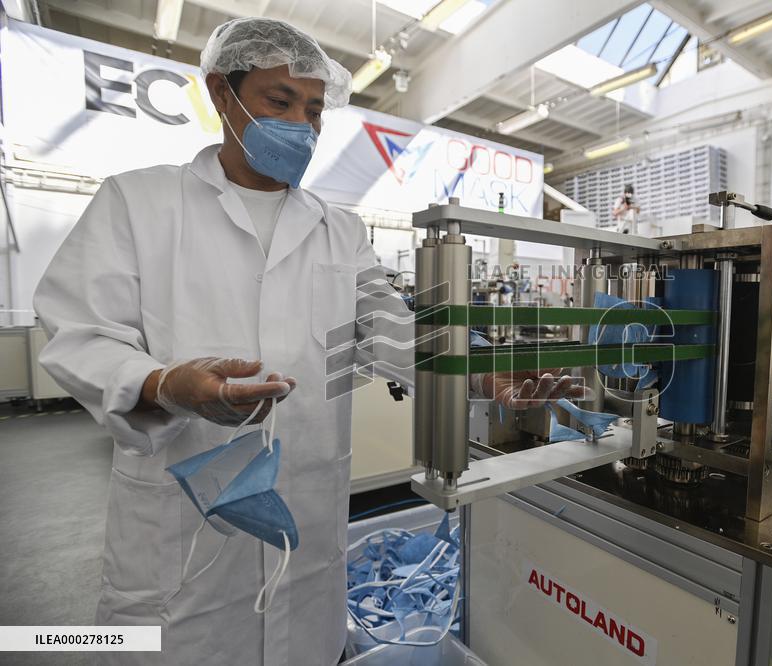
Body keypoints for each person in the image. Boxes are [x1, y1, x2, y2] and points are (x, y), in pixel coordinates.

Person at [33, 17, 583, 664]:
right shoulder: (140, 204)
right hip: (178, 563)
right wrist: (164, 385)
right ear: (220, 93)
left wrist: (482, 369)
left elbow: (393, 330)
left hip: (308, 546)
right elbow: (82, 333)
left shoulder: (338, 230)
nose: (302, 123)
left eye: (315, 109)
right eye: (280, 101)